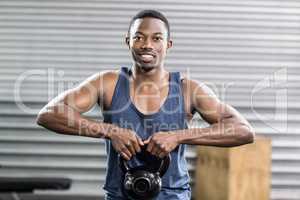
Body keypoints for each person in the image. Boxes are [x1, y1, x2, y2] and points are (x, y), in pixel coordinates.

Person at [36, 9, 255, 200]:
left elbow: (243, 130)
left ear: (168, 45)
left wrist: (178, 136)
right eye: (139, 37)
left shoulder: (188, 89)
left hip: (172, 196)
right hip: (120, 194)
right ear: (127, 41)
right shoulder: (108, 83)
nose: (147, 45)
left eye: (156, 38)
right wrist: (109, 131)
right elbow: (48, 114)